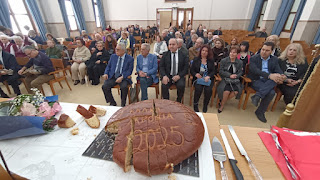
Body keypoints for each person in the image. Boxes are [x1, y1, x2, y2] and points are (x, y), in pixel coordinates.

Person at [248, 42, 285, 123]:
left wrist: (282, 75)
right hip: (256, 80)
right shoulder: (254, 58)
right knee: (271, 92)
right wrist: (269, 75)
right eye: (263, 49)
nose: (264, 52)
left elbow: (278, 69)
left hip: (268, 81)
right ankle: (260, 111)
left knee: (273, 85)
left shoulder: (274, 59)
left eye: (267, 50)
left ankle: (258, 96)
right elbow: (255, 71)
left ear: (271, 51)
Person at [102, 42, 134, 107]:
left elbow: (129, 71)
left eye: (118, 49)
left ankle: (123, 104)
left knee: (124, 87)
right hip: (113, 76)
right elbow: (108, 66)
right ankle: (112, 102)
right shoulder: (113, 56)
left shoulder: (130, 59)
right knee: (105, 86)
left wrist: (122, 77)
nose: (116, 51)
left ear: (123, 51)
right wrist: (106, 73)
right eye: (116, 49)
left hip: (123, 77)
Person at [160, 38, 189, 103]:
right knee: (164, 86)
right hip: (168, 76)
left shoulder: (183, 55)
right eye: (170, 44)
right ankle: (166, 102)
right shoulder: (165, 54)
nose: (171, 46)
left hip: (179, 75)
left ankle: (178, 101)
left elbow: (186, 68)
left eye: (173, 44)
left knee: (181, 85)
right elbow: (161, 67)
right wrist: (164, 76)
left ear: (177, 45)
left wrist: (179, 76)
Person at [217, 46, 243, 113]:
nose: (232, 54)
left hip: (235, 80)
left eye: (234, 53)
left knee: (236, 92)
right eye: (231, 52)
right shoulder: (224, 60)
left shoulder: (240, 62)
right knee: (226, 91)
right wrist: (229, 75)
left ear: (237, 54)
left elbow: (241, 72)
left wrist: (236, 76)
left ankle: (222, 101)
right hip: (225, 79)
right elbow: (221, 71)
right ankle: (222, 106)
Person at [190, 44, 215, 112]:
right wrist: (196, 74)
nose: (204, 52)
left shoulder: (211, 60)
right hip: (198, 79)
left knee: (208, 90)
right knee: (198, 89)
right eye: (203, 50)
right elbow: (192, 70)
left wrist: (208, 76)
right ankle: (195, 104)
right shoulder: (196, 59)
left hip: (207, 79)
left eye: (206, 51)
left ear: (208, 52)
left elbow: (213, 71)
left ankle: (205, 105)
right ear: (200, 51)